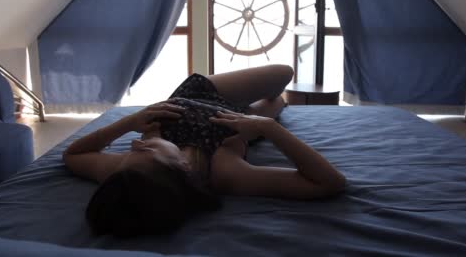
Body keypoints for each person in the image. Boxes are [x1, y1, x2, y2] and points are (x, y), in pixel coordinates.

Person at [63, 64, 345, 237]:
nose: (135, 144)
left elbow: (72, 155)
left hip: (194, 93)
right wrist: (268, 128)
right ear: (180, 167)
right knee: (276, 100)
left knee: (284, 73)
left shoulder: (129, 172)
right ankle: (271, 110)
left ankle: (268, 109)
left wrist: (128, 123)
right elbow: (329, 182)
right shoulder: (224, 172)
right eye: (147, 148)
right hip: (241, 119)